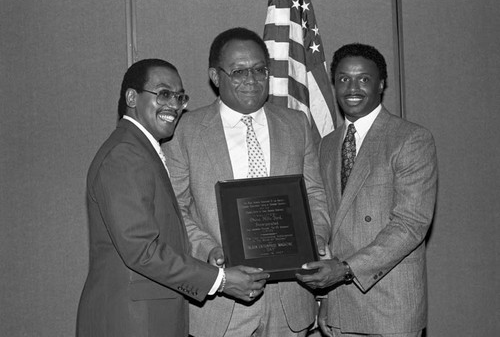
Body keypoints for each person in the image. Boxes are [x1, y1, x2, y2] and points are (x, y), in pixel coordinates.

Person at [76, 59, 269, 337]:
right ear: (132, 97)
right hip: (131, 322)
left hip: (149, 317)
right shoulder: (125, 155)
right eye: (164, 94)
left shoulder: (142, 150)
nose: (175, 105)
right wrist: (220, 280)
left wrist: (210, 253)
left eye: (180, 97)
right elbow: (142, 250)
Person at [162, 28, 331, 337]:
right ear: (215, 76)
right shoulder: (185, 131)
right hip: (221, 303)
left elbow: (315, 194)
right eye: (239, 72)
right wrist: (209, 251)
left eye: (259, 70)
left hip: (289, 302)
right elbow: (174, 208)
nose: (251, 80)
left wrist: (315, 238)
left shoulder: (296, 124)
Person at [296, 43, 438, 337]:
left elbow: (411, 225)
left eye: (364, 78)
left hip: (390, 305)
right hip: (341, 305)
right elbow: (327, 222)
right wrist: (324, 299)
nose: (353, 87)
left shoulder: (410, 139)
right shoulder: (326, 145)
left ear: (381, 84)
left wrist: (346, 269)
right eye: (344, 78)